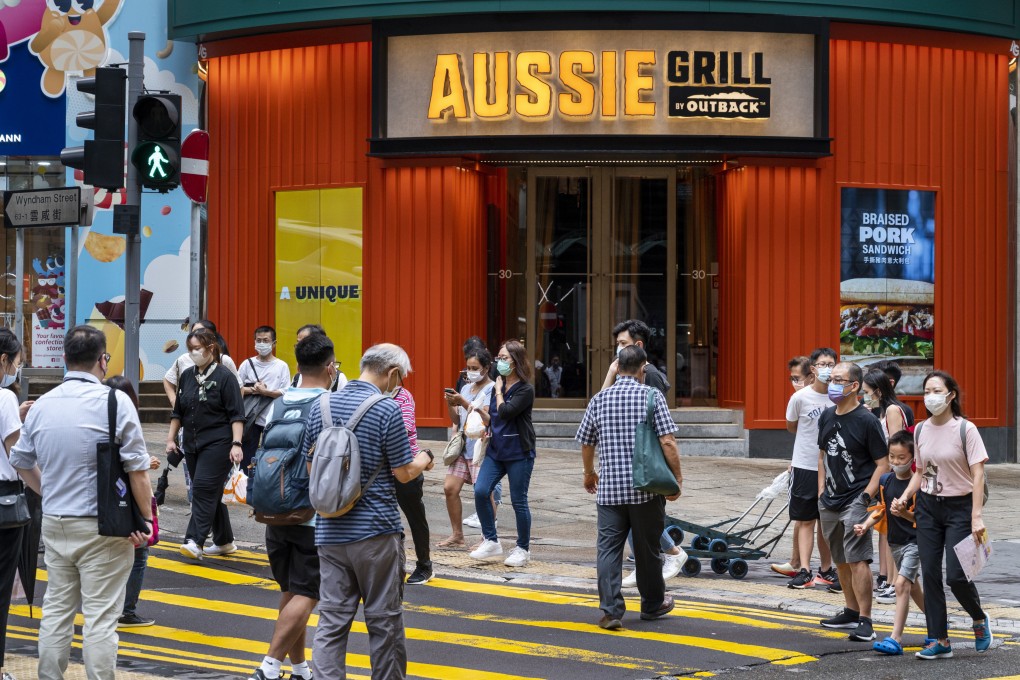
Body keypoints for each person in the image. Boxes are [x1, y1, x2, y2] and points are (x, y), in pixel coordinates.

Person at [11, 325, 153, 680]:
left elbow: (21, 461)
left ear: (64, 359)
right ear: (103, 361)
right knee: (101, 617)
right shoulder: (114, 401)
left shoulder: (42, 405)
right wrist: (146, 520)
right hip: (104, 527)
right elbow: (138, 471)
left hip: (57, 523)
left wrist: (48, 491)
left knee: (57, 611)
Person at [305, 343, 435, 680]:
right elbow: (404, 471)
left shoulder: (321, 404)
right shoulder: (386, 410)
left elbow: (310, 468)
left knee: (332, 620)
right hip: (376, 532)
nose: (399, 384)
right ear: (392, 373)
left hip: (329, 531)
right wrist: (426, 458)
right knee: (384, 620)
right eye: (400, 378)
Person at [249, 333, 337, 680]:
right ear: (330, 366)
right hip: (310, 516)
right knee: (308, 594)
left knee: (291, 594)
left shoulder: (280, 402)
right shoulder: (329, 404)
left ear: (297, 366)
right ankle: (269, 667)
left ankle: (300, 669)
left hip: (275, 511)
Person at [576, 345, 682, 629]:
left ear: (617, 367)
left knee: (608, 549)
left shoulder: (599, 399)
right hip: (646, 490)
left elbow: (586, 442)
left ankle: (611, 610)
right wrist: (677, 480)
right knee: (647, 549)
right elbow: (668, 442)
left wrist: (589, 473)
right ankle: (652, 604)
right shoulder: (652, 396)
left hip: (610, 491)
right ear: (643, 368)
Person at [891, 370, 993, 660]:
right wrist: (905, 497)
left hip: (959, 508)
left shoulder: (966, 429)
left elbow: (978, 474)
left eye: (937, 390)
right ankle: (940, 639)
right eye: (927, 391)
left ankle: (978, 617)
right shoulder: (921, 430)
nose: (930, 396)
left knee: (957, 577)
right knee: (931, 573)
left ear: (951, 396)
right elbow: (921, 472)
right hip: (928, 506)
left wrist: (976, 516)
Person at [816, 361, 889, 643]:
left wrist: (866, 496)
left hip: (856, 498)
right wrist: (822, 489)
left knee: (858, 559)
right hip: (829, 499)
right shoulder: (826, 416)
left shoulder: (867, 420)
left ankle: (866, 621)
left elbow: (882, 465)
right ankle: (850, 609)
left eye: (838, 379)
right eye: (830, 378)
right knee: (840, 558)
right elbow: (822, 456)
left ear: (854, 386)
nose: (831, 383)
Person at [609, 321, 685, 582]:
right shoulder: (633, 375)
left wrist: (676, 476)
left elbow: (665, 435)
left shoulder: (648, 376)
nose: (617, 349)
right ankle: (650, 563)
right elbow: (603, 403)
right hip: (632, 460)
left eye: (622, 344)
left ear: (637, 345)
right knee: (635, 516)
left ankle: (668, 554)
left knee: (639, 516)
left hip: (645, 460)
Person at [166, 328, 246, 559]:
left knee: (201, 489)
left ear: (211, 348)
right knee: (211, 492)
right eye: (190, 349)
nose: (192, 353)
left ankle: (194, 541)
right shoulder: (188, 375)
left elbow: (236, 414)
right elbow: (178, 411)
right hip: (192, 444)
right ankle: (224, 541)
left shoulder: (225, 377)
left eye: (197, 349)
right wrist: (171, 439)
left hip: (219, 443)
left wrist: (237, 443)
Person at [852, 429, 926, 656]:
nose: (895, 462)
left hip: (914, 542)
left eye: (901, 458)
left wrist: (904, 513)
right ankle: (937, 622)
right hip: (895, 544)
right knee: (913, 587)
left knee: (902, 584)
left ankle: (896, 638)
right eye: (892, 457)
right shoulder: (885, 480)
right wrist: (865, 525)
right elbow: (881, 510)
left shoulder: (918, 487)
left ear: (913, 459)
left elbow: (921, 521)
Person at [469, 340, 536, 567]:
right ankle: (491, 540)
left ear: (516, 361)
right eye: (499, 357)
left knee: (519, 501)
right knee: (480, 491)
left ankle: (523, 549)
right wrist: (481, 418)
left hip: (519, 452)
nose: (500, 362)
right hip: (496, 450)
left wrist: (498, 390)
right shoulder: (499, 386)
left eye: (504, 358)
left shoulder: (525, 389)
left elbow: (506, 412)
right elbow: (495, 418)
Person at [104, 376, 161, 629]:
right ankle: (127, 610)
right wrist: (147, 517)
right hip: (129, 501)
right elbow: (134, 471)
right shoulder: (127, 420)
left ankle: (111, 606)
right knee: (139, 554)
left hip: (102, 504)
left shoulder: (98, 418)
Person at [782, 350, 837, 590]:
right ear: (812, 368)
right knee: (805, 520)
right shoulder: (800, 398)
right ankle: (804, 570)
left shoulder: (839, 396)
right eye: (822, 364)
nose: (827, 368)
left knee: (827, 521)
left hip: (833, 467)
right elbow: (792, 427)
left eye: (831, 364)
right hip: (804, 464)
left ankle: (826, 570)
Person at [440, 347, 496, 548]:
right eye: (468, 367)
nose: (471, 371)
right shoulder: (465, 388)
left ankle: (488, 538)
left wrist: (462, 402)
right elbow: (457, 418)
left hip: (481, 448)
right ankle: (457, 535)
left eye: (475, 367)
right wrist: (450, 404)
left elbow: (485, 418)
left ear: (487, 368)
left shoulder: (491, 389)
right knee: (450, 488)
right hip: (464, 447)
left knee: (483, 493)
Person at [862, 368, 910, 601]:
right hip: (886, 477)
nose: (865, 395)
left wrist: (890, 478)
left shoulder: (892, 410)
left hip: (893, 477)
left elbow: (897, 448)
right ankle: (890, 581)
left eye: (868, 392)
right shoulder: (882, 410)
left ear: (879, 391)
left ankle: (894, 582)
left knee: (893, 530)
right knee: (887, 530)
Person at [0, 330, 25, 680]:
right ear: (3, 360)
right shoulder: (4, 397)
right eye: (17, 363)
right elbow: (18, 455)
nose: (16, 370)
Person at [391, 382, 433, 585]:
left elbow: (404, 428)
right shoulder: (372, 394)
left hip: (407, 467)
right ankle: (391, 563)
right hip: (381, 470)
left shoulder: (404, 396)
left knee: (415, 517)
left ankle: (425, 566)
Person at [238, 325, 292, 471]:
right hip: (251, 419)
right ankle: (246, 487)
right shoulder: (247, 364)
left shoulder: (281, 366)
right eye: (259, 340)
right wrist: (254, 389)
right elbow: (236, 389)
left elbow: (286, 392)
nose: (262, 344)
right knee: (247, 458)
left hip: (273, 420)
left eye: (266, 340)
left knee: (271, 457)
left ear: (274, 343)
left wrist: (266, 392)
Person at [601, 319, 670, 394]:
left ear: (638, 345)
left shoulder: (651, 374)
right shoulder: (616, 367)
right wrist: (611, 372)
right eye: (618, 343)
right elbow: (601, 400)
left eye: (623, 343)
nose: (619, 347)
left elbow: (658, 403)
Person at [291, 324, 347, 390]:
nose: (300, 348)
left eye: (305, 343)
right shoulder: (296, 378)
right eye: (298, 343)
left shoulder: (339, 379)